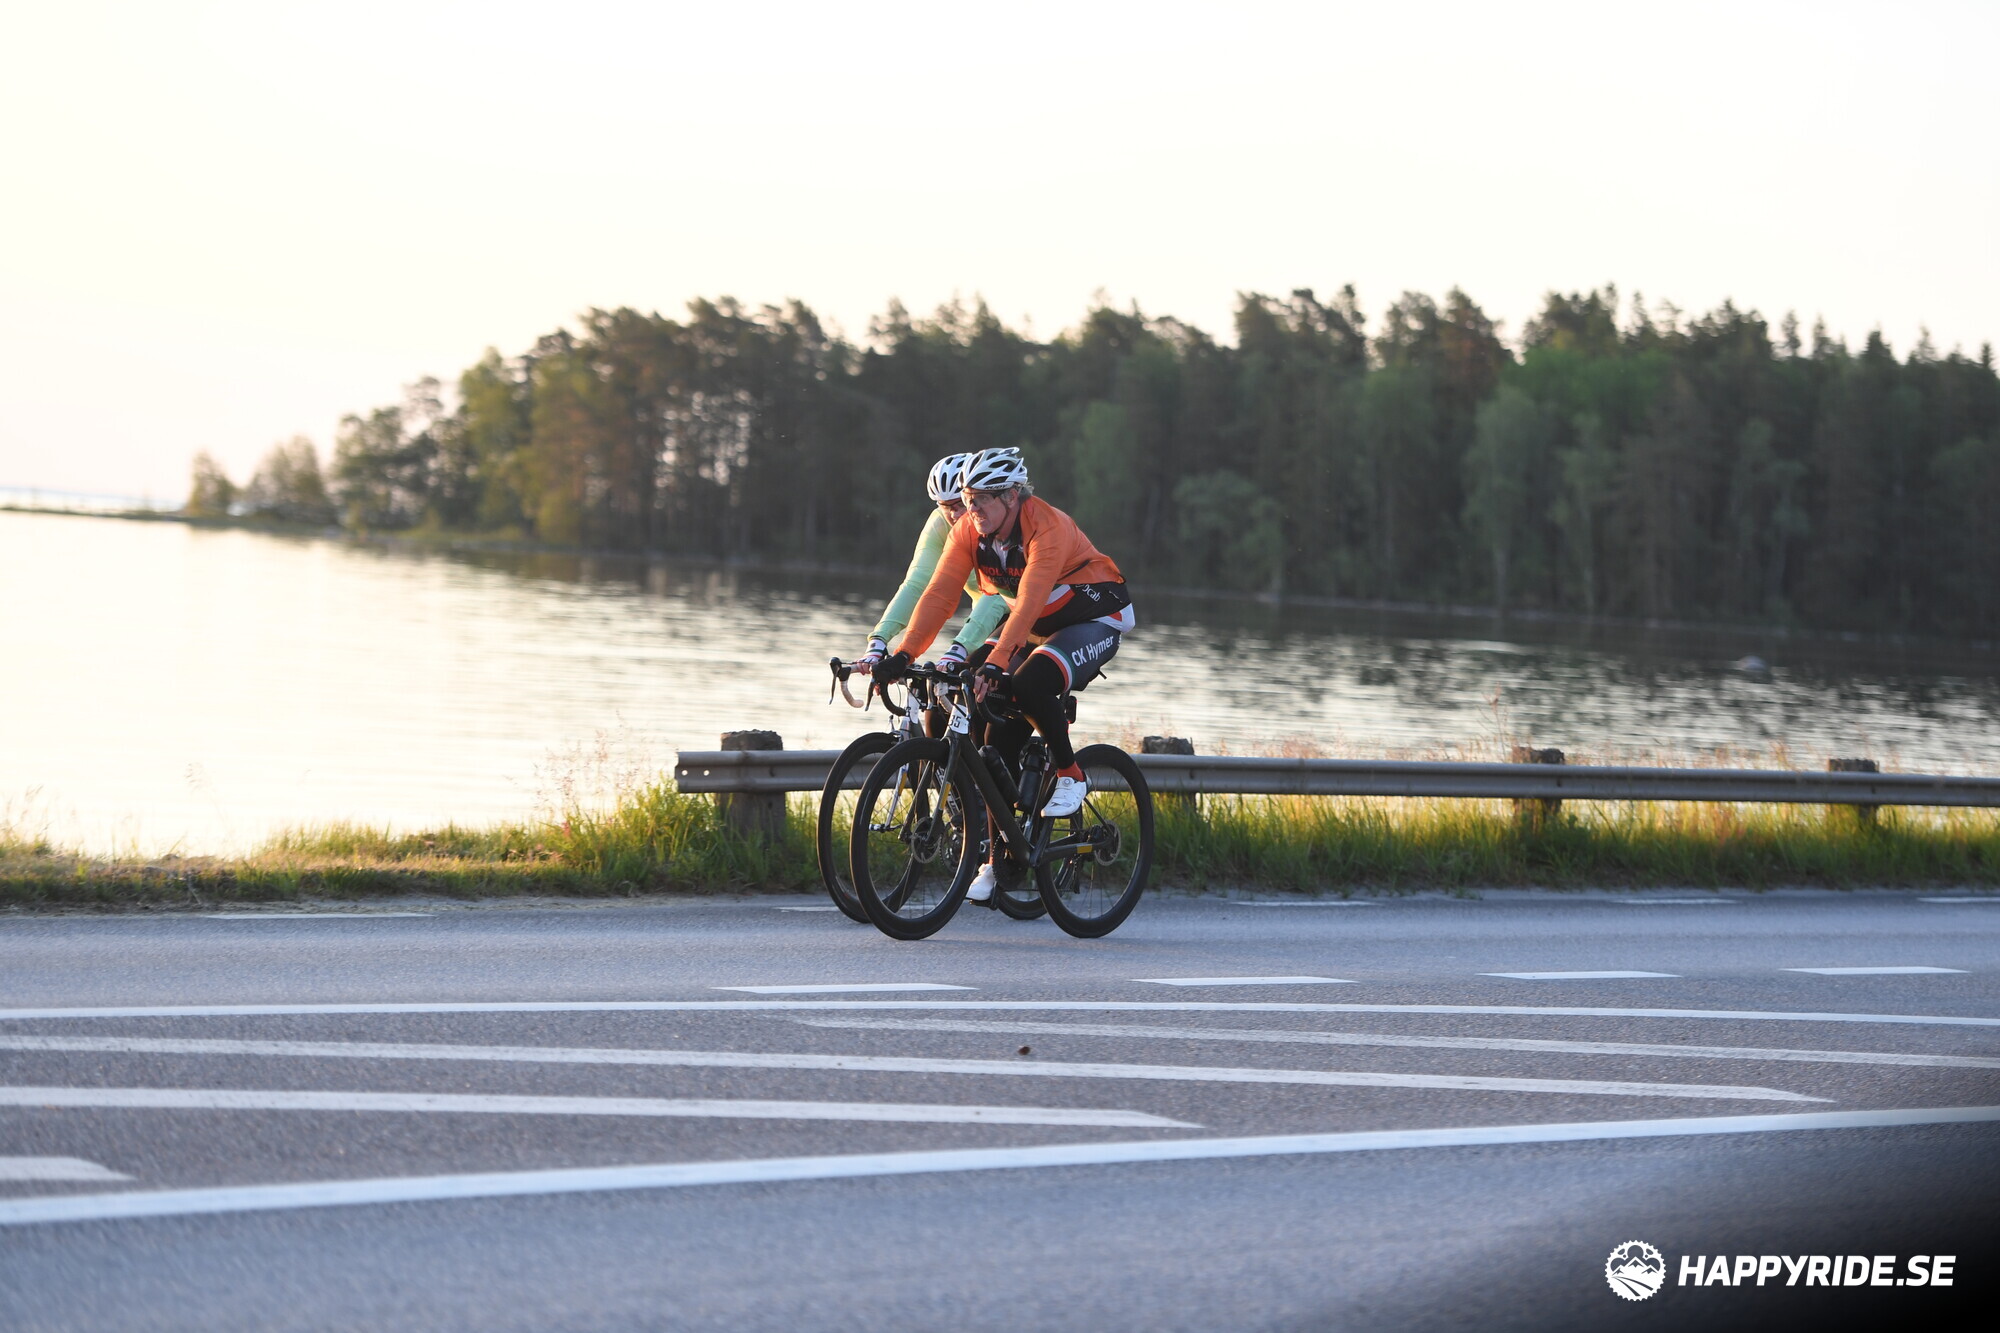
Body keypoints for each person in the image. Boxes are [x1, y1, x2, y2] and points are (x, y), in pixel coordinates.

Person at [876, 446, 1135, 902]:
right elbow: (939, 594)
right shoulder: (968, 531)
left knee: (1031, 682)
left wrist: (998, 662)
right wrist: (902, 654)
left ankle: (1071, 774)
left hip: (1093, 617)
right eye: (967, 500)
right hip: (1035, 624)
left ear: (1012, 496)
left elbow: (1029, 600)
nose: (971, 510)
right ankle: (1001, 855)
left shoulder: (1046, 527)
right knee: (988, 725)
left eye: (981, 500)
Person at [852, 453, 1010, 681]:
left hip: (1025, 616)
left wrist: (958, 648)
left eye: (961, 504)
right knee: (945, 689)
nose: (955, 515)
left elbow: (999, 594)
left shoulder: (998, 524)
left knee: (984, 678)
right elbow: (917, 584)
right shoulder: (941, 524)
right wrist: (878, 641)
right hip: (983, 621)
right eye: (946, 506)